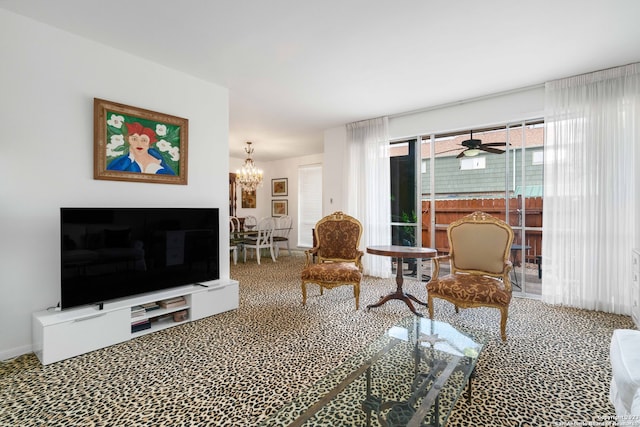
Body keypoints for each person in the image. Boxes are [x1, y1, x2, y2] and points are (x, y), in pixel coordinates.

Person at [107, 122, 175, 175]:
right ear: (128, 140)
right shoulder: (123, 161)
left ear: (149, 144)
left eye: (144, 140)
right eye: (134, 139)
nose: (139, 144)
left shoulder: (159, 161)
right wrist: (129, 159)